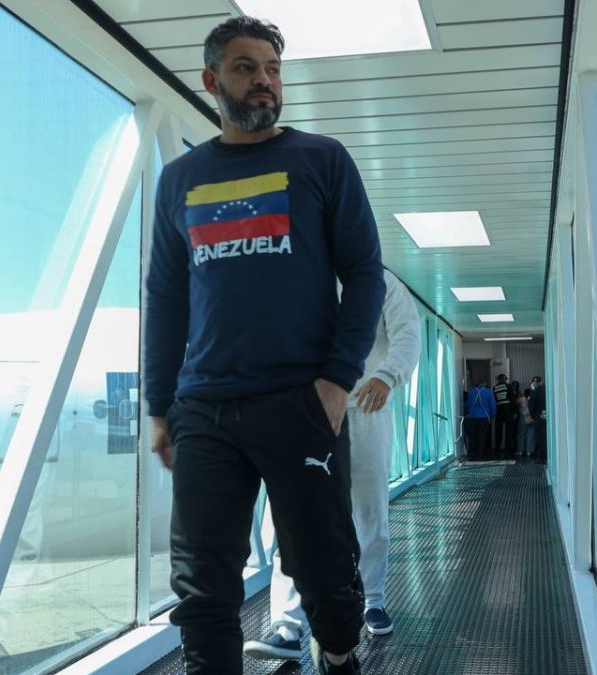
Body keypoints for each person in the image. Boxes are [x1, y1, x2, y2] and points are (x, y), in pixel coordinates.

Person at [144, 16, 385, 675]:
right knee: (202, 586)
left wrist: (336, 380)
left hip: (300, 401)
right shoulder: (180, 179)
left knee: (325, 572)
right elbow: (165, 297)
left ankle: (338, 652)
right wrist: (160, 406)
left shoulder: (321, 160)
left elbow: (365, 272)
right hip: (205, 408)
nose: (265, 82)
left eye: (273, 70)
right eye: (246, 67)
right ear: (211, 80)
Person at [245, 269, 421, 662]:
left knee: (369, 511)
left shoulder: (382, 282)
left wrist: (387, 376)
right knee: (296, 517)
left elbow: (408, 334)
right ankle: (287, 625)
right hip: (310, 412)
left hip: (366, 408)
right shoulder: (299, 275)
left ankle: (372, 600)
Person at [465, 379, 497, 459]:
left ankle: (474, 453)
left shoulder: (472, 391)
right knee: (482, 436)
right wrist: (493, 415)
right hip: (484, 416)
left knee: (474, 436)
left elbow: (468, 404)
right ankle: (480, 454)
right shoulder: (489, 392)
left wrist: (468, 412)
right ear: (485, 383)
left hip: (472, 416)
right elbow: (492, 405)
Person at [492, 374, 516, 456]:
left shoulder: (495, 388)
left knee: (498, 430)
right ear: (504, 379)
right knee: (509, 430)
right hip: (508, 410)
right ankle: (508, 449)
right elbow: (512, 399)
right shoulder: (508, 386)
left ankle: (497, 449)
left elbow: (494, 400)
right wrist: (514, 411)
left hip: (498, 410)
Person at [528, 376, 548, 463]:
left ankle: (542, 458)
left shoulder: (535, 392)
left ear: (534, 383)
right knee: (545, 437)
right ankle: (546, 456)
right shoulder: (547, 390)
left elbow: (531, 407)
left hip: (538, 417)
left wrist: (533, 416)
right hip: (546, 416)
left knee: (540, 438)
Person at [515, 386, 535, 459]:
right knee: (529, 434)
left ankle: (520, 451)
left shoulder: (521, 399)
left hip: (523, 416)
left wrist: (518, 394)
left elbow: (515, 402)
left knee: (521, 434)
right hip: (530, 416)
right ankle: (528, 451)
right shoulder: (531, 398)